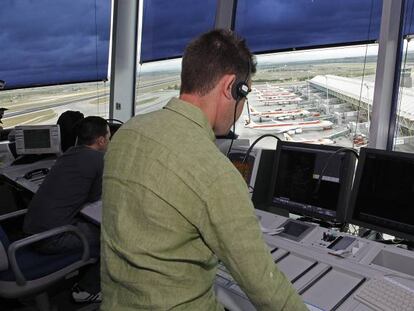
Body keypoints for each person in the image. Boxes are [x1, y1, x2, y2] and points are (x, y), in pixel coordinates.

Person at [101, 30, 307, 310]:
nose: (241, 108)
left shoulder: (127, 134)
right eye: (244, 95)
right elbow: (266, 287)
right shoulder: (214, 173)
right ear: (231, 88)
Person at [23, 116, 110, 303]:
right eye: (109, 136)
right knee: (112, 238)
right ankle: (87, 289)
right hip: (51, 238)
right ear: (101, 140)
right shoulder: (97, 159)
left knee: (90, 223)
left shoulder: (70, 153)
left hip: (31, 230)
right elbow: (94, 197)